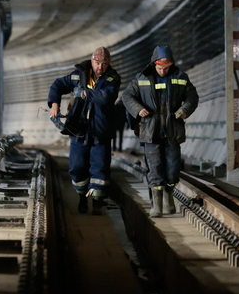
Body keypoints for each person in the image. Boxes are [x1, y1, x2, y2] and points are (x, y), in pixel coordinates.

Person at [122, 45, 198, 218]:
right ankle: (157, 206)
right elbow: (127, 96)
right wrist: (138, 109)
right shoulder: (141, 78)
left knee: (172, 170)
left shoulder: (180, 77)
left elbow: (192, 97)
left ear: (171, 65)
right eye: (159, 68)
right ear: (154, 64)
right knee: (155, 169)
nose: (163, 72)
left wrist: (184, 110)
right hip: (151, 131)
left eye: (166, 68)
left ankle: (169, 198)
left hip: (172, 131)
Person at [48, 47, 121, 215]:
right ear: (92, 61)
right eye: (97, 63)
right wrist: (54, 103)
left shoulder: (113, 79)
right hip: (78, 131)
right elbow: (58, 85)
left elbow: (105, 97)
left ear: (108, 64)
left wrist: (83, 93)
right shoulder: (78, 75)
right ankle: (82, 196)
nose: (100, 67)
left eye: (104, 64)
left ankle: (97, 202)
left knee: (100, 168)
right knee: (77, 167)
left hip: (100, 132)